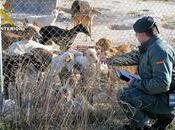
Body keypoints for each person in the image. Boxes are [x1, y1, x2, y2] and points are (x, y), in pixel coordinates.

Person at [107, 16, 175, 130]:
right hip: (163, 95)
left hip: (169, 100)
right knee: (131, 90)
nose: (136, 36)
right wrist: (109, 60)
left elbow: (162, 84)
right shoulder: (151, 46)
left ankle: (143, 126)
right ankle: (163, 117)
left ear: (143, 34)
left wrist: (136, 82)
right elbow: (133, 57)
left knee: (125, 94)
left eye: (136, 34)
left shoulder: (159, 51)